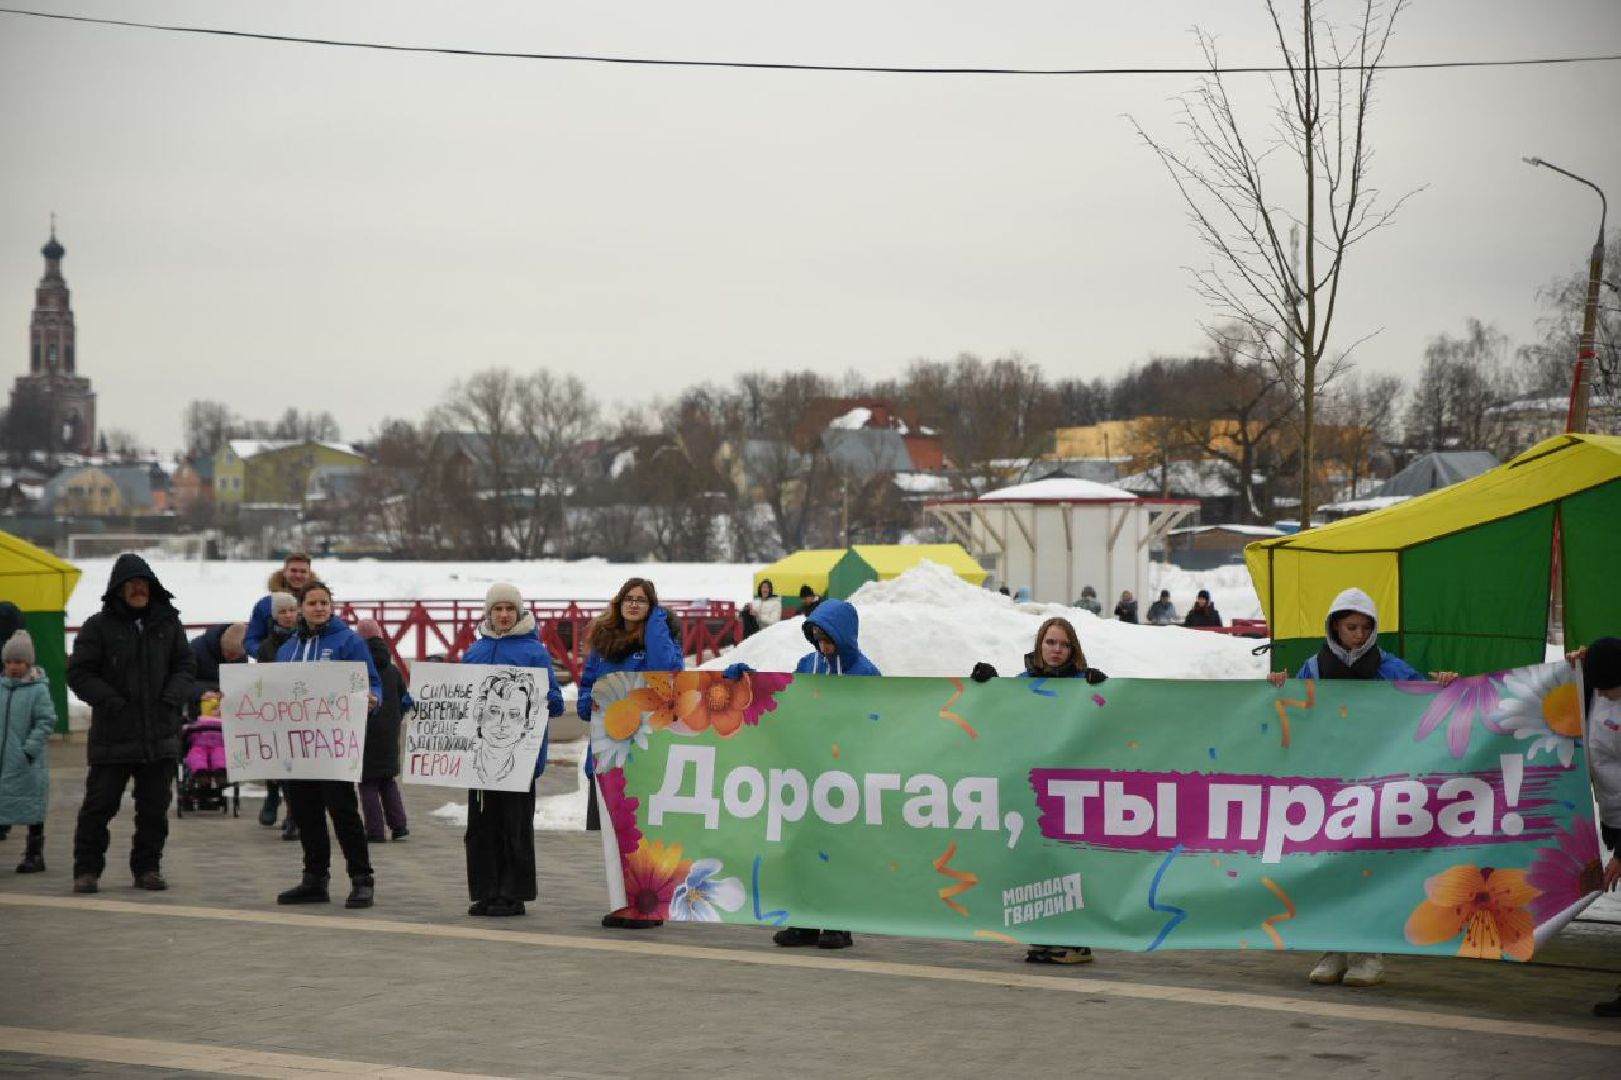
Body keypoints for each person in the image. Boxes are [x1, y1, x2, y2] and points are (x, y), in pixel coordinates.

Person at [1268, 587, 1456, 988]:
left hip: (1376, 783)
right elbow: (1292, 714)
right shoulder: (1312, 669)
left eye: (1364, 627)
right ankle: (1333, 948)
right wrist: (1279, 687)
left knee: (1367, 867)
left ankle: (1367, 953)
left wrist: (1443, 685)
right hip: (1328, 783)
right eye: (1350, 626)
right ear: (1335, 626)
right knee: (1330, 867)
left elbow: (1424, 707)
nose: (1356, 634)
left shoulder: (1391, 669)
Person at [971, 616, 1105, 962]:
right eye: (1050, 642)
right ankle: (1043, 935)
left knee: (1069, 863)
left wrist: (1101, 690)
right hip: (1031, 789)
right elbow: (1001, 714)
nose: (1056, 650)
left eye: (1064, 644)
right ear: (1039, 645)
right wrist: (988, 685)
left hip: (1070, 787)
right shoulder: (1021, 683)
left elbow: (1107, 723)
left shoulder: (1083, 683)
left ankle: (1078, 940)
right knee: (1036, 864)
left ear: (1073, 649)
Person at [66, 554, 196, 893]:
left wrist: (172, 697)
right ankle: (87, 870)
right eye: (132, 584)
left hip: (160, 735)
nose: (139, 589)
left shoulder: (168, 624)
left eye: (144, 583)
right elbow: (79, 672)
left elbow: (185, 665)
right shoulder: (98, 626)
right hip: (114, 735)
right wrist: (109, 701)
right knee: (99, 807)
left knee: (154, 810)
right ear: (118, 589)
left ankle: (147, 869)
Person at [763, 598, 879, 950]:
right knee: (804, 845)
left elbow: (877, 718)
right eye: (817, 637)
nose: (824, 646)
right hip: (808, 768)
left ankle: (837, 922)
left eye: (829, 638)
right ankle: (804, 918)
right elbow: (789, 704)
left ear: (845, 637)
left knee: (839, 849)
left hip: (846, 771)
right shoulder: (806, 664)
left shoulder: (865, 672)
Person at [578, 577, 684, 928]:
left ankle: (647, 903)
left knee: (643, 828)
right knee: (614, 829)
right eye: (629, 598)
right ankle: (622, 901)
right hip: (607, 746)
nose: (634, 604)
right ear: (619, 602)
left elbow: (665, 671)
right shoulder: (604, 642)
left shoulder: (658, 640)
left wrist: (656, 626)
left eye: (642, 600)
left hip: (644, 745)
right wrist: (585, 703)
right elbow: (589, 682)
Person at [274, 582, 382, 910]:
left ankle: (362, 879)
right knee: (306, 814)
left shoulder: (348, 641)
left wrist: (372, 700)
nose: (319, 608)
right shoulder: (287, 648)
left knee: (343, 812)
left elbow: (372, 680)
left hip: (333, 745)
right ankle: (314, 879)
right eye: (312, 603)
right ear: (301, 607)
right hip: (298, 746)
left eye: (325, 602)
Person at [461, 584, 563, 917]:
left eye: (509, 609)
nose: (503, 615)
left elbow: (557, 703)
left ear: (518, 613)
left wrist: (547, 699)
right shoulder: (474, 651)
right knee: (480, 827)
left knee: (514, 827)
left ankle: (513, 893)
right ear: (488, 613)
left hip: (520, 758)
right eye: (497, 609)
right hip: (479, 757)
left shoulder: (534, 652)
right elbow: (459, 698)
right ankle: (485, 890)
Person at [1568, 638, 1621, 1017]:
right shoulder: (1594, 693)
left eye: (1611, 687)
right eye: (1599, 686)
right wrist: (1571, 668)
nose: (1605, 693)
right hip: (1614, 815)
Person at [1, 631, 56, 873]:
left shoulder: (38, 690)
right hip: (3, 761)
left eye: (19, 662)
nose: (14, 666)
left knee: (33, 807)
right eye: (10, 661)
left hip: (26, 761)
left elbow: (45, 721)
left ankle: (34, 855)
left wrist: (29, 751)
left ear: (28, 663)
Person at [355, 619, 412, 845]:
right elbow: (403, 700)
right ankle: (399, 826)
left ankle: (375, 831)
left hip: (364, 733)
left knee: (367, 783)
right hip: (389, 734)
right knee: (388, 781)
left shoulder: (358, 668)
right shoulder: (393, 670)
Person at [254, 591, 299, 831]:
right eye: (282, 611)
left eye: (292, 610)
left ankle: (294, 814)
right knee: (274, 758)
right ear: (275, 616)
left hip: (299, 708)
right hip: (275, 709)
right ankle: (272, 797)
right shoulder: (266, 647)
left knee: (296, 764)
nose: (288, 615)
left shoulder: (306, 640)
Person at [243, 553, 314, 659]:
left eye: (303, 572)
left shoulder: (318, 602)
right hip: (274, 664)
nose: (298, 575)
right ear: (284, 572)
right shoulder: (266, 604)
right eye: (293, 571)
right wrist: (263, 652)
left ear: (309, 574)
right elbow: (251, 639)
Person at [188, 622, 248, 716]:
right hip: (200, 709)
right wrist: (202, 692)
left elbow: (240, 682)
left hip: (230, 710)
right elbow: (183, 681)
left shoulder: (240, 655)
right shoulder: (194, 649)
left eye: (239, 655)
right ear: (221, 645)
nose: (234, 658)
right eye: (230, 654)